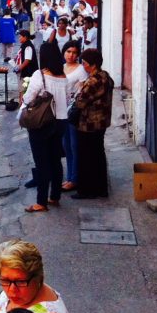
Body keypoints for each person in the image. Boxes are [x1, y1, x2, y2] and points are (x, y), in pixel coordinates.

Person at [22, 42, 69, 213]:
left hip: (42, 122)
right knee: (55, 160)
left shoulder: (39, 75)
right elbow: (68, 98)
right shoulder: (64, 77)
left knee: (42, 162)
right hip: (61, 122)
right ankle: (55, 196)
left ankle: (41, 202)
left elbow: (28, 98)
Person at [70, 49, 114, 200]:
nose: (83, 66)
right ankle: (101, 189)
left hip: (89, 124)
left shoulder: (93, 81)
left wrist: (78, 93)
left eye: (85, 63)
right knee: (98, 155)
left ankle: (87, 190)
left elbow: (81, 102)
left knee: (86, 157)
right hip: (101, 122)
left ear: (93, 65)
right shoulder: (105, 76)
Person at [60, 43, 87, 193]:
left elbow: (82, 92)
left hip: (74, 112)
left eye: (74, 52)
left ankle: (75, 178)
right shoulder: (61, 67)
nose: (71, 55)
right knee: (66, 146)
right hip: (61, 112)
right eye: (68, 51)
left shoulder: (81, 70)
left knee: (75, 146)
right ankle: (69, 176)